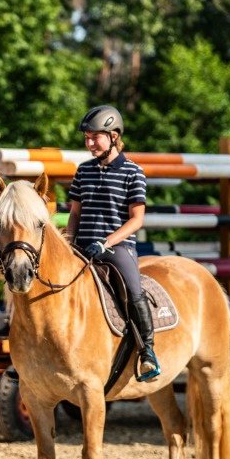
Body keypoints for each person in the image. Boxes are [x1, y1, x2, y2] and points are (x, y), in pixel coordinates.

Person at [65, 104, 161, 382]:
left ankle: (148, 352)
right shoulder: (83, 171)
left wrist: (106, 242)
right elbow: (75, 213)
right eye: (87, 138)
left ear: (114, 136)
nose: (89, 143)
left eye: (95, 137)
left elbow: (137, 219)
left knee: (133, 291)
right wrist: (70, 241)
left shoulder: (133, 172)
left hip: (118, 248)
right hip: (82, 247)